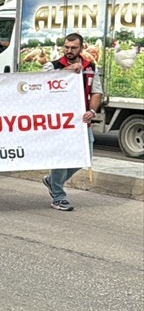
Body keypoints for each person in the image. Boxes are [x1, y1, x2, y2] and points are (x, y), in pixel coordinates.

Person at [42, 32, 102, 211]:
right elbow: (38, 83)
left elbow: (96, 92)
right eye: (66, 47)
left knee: (85, 157)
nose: (69, 50)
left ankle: (52, 181)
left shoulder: (90, 67)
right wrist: (64, 72)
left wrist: (92, 111)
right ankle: (59, 196)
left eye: (73, 48)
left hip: (81, 122)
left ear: (81, 48)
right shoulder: (51, 66)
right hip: (59, 123)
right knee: (61, 158)